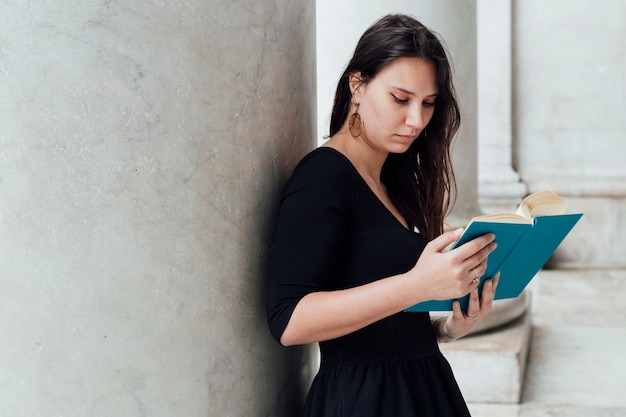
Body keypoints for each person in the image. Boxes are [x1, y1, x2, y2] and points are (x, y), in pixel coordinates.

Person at [267, 14, 500, 416]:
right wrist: (416, 285)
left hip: (423, 388)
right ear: (357, 85)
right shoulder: (323, 175)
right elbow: (289, 320)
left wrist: (448, 328)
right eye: (400, 98)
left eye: (428, 104)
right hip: (366, 400)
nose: (416, 120)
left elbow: (385, 327)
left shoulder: (392, 179)